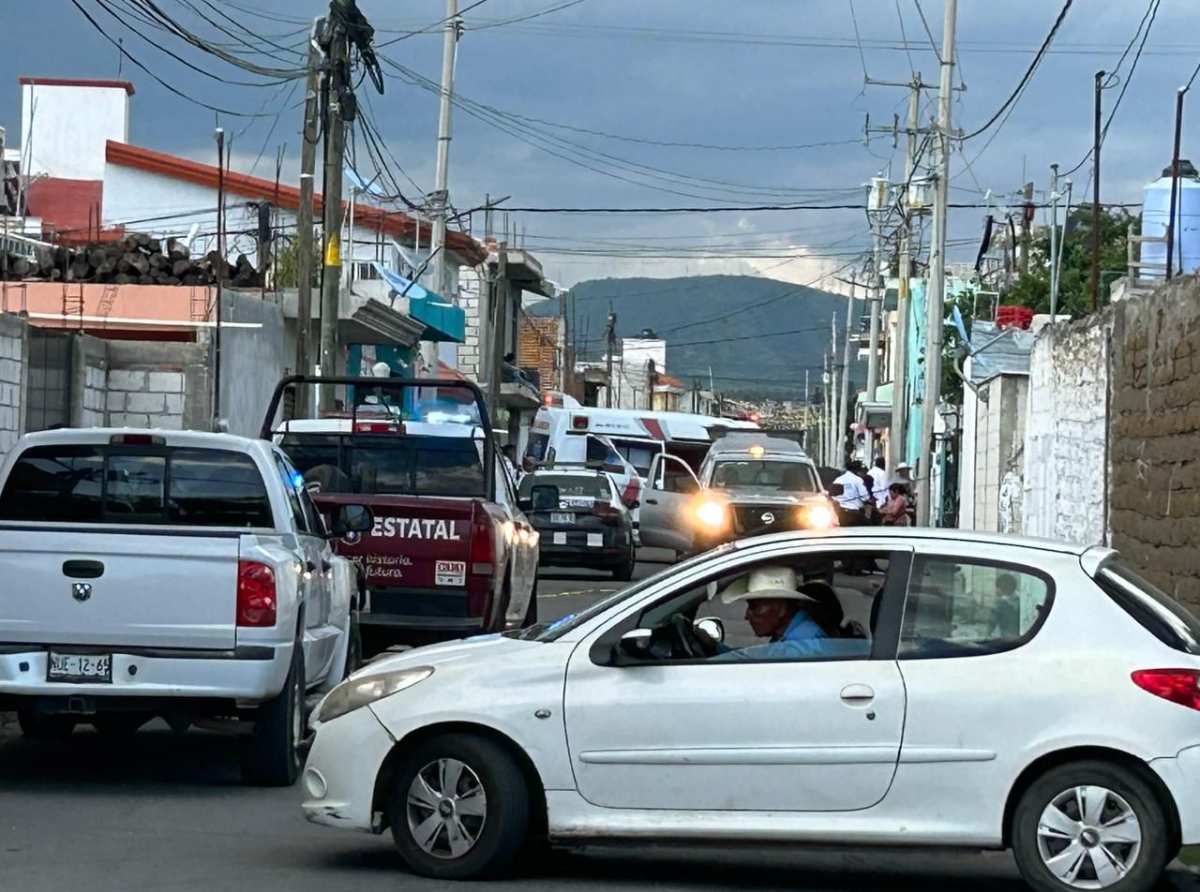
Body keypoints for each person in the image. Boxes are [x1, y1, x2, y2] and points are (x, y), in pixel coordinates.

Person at [699, 566, 832, 662]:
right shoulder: (794, 635)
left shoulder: (798, 648)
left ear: (781, 608)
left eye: (754, 607)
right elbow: (757, 658)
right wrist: (716, 648)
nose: (747, 616)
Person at [832, 460, 871, 526]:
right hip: (855, 514)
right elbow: (865, 497)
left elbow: (833, 497)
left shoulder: (838, 480)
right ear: (857, 470)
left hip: (842, 513)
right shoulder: (858, 480)